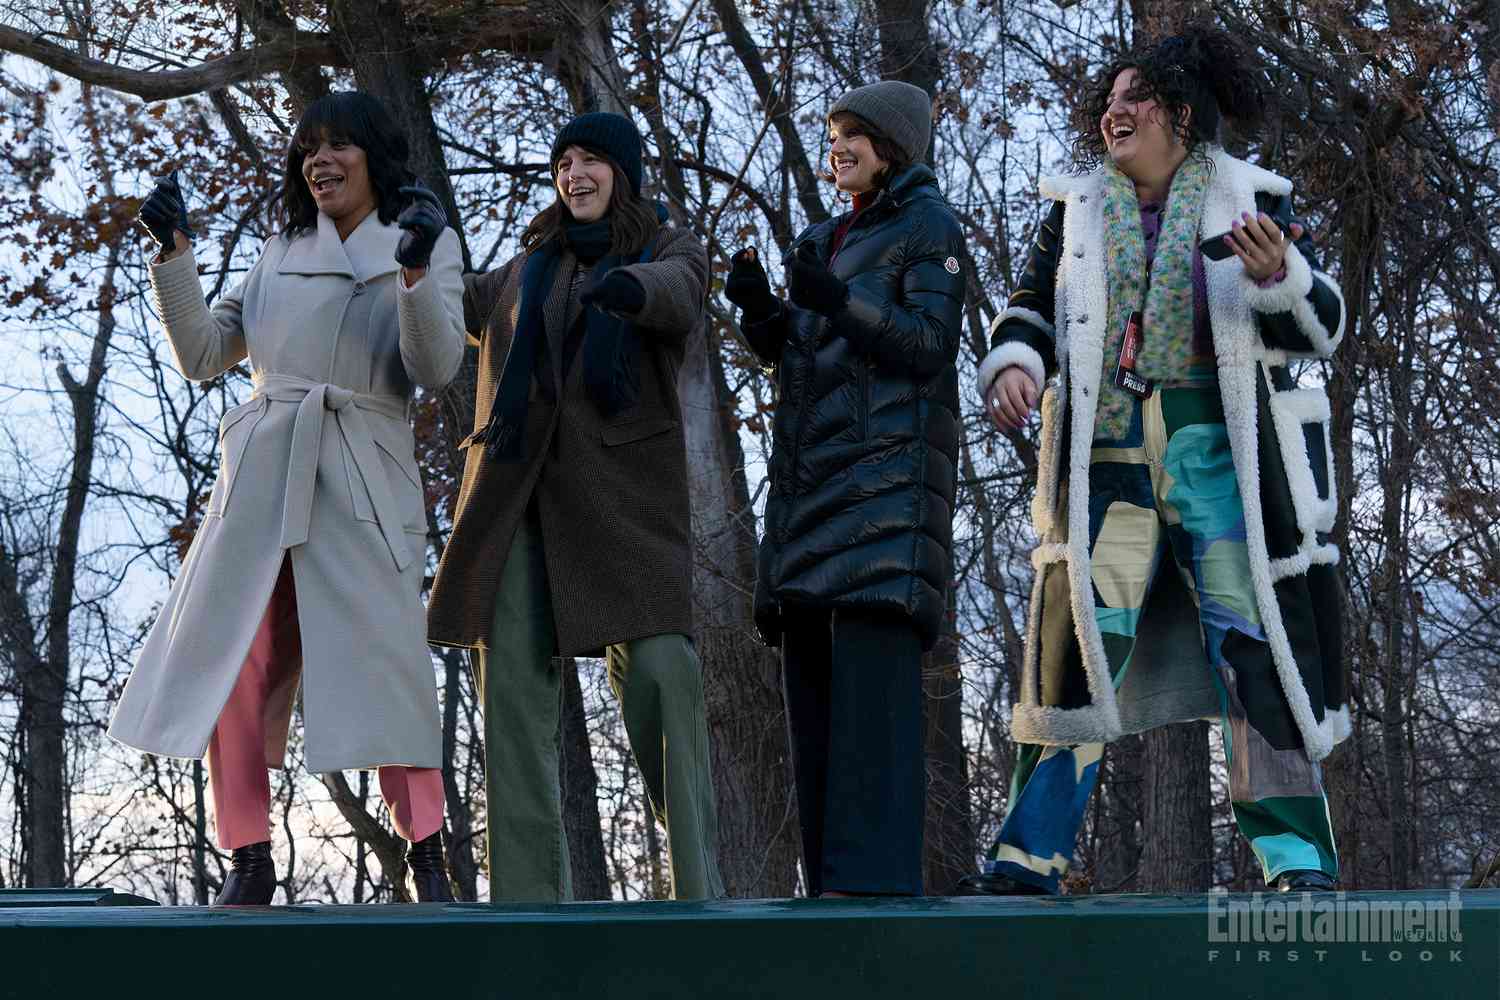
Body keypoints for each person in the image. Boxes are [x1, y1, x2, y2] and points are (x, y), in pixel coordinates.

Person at [966, 27, 1348, 895]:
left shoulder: (1252, 198)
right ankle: (1028, 860)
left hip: (1214, 451)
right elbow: (1029, 307)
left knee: (1254, 644)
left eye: (1137, 98)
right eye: (1110, 98)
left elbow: (1319, 324)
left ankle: (1296, 861)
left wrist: (1280, 276)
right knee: (1079, 650)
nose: (1116, 111)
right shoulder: (1076, 213)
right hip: (1107, 458)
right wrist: (1018, 364)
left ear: (1182, 114)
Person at [109, 91, 466, 905]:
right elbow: (204, 353)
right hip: (265, 477)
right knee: (234, 662)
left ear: (375, 156)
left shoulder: (422, 241)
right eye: (309, 147)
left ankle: (428, 852)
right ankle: (249, 858)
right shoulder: (279, 249)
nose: (321, 161)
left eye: (340, 145)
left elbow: (437, 367)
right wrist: (173, 254)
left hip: (362, 474)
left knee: (388, 668)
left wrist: (413, 271)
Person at [425, 112, 723, 902]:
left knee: (664, 670)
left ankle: (699, 895)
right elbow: (450, 309)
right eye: (563, 162)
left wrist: (630, 286)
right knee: (513, 698)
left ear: (620, 173)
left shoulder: (667, 246)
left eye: (591, 160)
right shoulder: (528, 266)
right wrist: (418, 253)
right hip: (516, 499)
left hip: (627, 501)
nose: (574, 174)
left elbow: (682, 291)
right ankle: (528, 909)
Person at [724, 80, 965, 897]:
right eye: (832, 135)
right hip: (807, 506)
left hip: (883, 503)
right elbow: (811, 348)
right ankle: (826, 897)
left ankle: (877, 906)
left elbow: (928, 342)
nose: (839, 148)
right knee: (816, 725)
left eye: (854, 135)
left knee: (873, 727)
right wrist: (764, 312)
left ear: (892, 145)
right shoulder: (825, 236)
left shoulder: (929, 225)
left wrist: (838, 299)